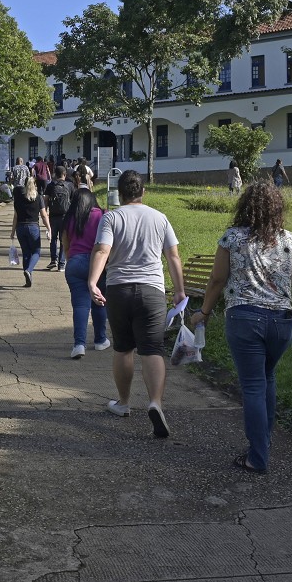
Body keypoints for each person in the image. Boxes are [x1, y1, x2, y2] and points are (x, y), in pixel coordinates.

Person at [191, 181, 292, 474]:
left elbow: (217, 280)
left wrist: (204, 312)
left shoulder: (231, 238)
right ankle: (263, 442)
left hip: (245, 319)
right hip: (283, 320)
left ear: (245, 206)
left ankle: (258, 456)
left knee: (254, 385)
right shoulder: (290, 241)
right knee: (267, 378)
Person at [87, 169, 186, 439]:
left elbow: (102, 250)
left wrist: (93, 282)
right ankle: (155, 402)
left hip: (118, 291)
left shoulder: (112, 217)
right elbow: (173, 257)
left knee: (123, 348)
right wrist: (179, 291)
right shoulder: (160, 218)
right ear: (143, 191)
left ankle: (123, 403)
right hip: (152, 291)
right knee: (152, 349)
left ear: (120, 193)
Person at [62, 185, 110, 359]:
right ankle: (100, 340)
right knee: (99, 301)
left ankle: (79, 345)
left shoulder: (70, 218)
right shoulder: (103, 215)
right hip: (97, 263)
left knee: (80, 305)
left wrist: (74, 262)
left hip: (74, 263)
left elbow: (66, 247)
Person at [11, 175, 51, 287]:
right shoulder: (38, 197)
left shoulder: (18, 198)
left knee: (26, 253)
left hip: (20, 227)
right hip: (33, 227)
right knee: (36, 252)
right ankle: (28, 270)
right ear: (35, 185)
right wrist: (49, 228)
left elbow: (15, 216)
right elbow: (43, 215)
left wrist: (13, 231)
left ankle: (28, 279)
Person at [44, 165, 74, 270]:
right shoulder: (70, 185)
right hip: (65, 216)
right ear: (64, 174)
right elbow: (73, 201)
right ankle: (61, 264)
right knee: (63, 240)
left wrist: (46, 212)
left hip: (53, 216)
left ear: (55, 175)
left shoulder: (50, 185)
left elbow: (46, 200)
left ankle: (53, 260)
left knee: (53, 239)